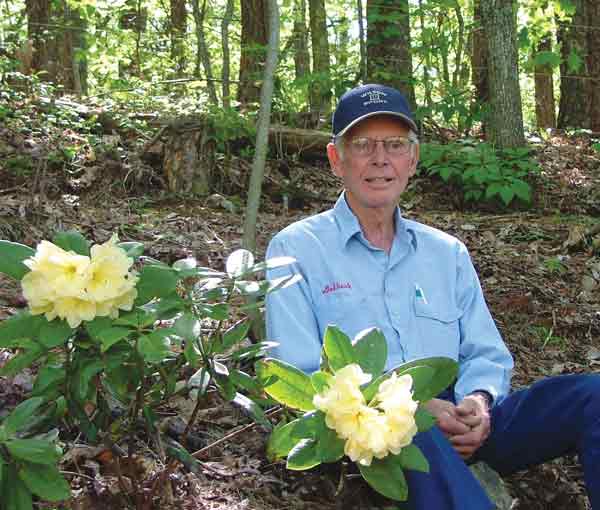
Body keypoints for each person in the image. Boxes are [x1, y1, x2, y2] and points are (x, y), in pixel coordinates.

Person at [265, 84, 600, 509]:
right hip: (371, 440)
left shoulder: (447, 253)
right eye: (364, 144)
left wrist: (479, 404)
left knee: (592, 396)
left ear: (413, 158)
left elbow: (485, 353)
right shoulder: (296, 249)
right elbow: (298, 373)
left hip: (461, 429)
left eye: (395, 145)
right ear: (337, 159)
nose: (380, 159)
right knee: (411, 428)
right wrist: (416, 409)